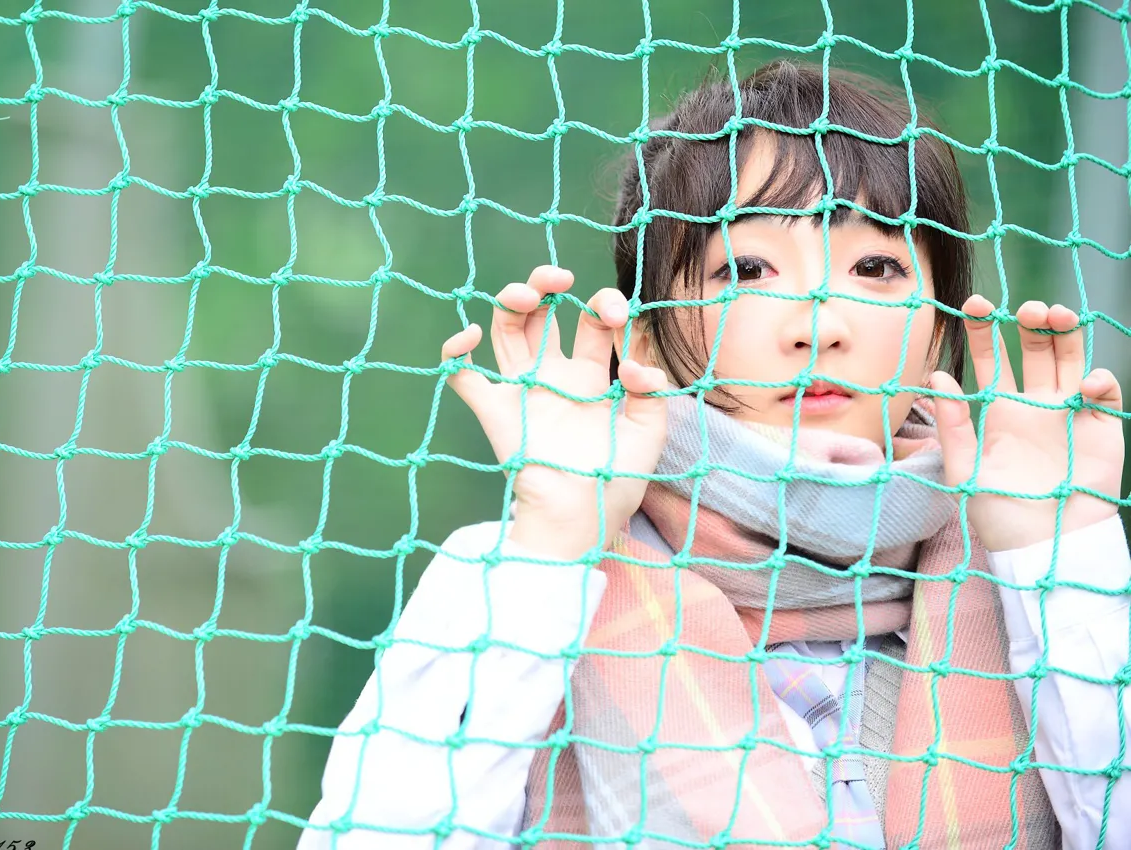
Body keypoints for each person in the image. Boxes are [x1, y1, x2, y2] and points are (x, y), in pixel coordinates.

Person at [297, 61, 1129, 849]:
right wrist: (550, 542)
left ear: (943, 328)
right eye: (746, 268)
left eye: (876, 265)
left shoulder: (1027, 579)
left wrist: (1061, 555)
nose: (817, 322)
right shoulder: (528, 583)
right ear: (652, 333)